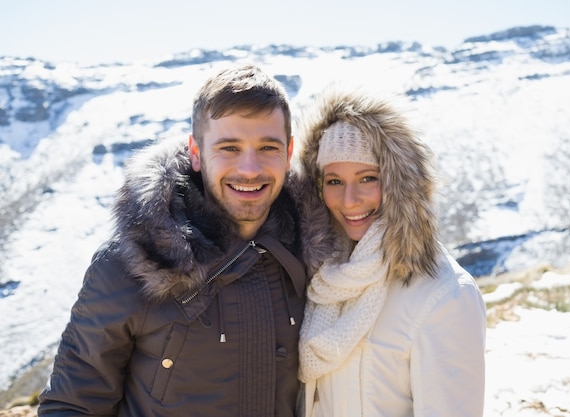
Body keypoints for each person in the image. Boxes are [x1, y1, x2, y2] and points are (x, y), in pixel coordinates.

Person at [38, 63, 311, 417]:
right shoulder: (133, 263)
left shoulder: (312, 255)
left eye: (267, 148)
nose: (249, 169)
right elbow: (72, 406)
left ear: (288, 153)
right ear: (196, 153)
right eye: (229, 147)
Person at [295, 84, 487, 417]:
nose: (349, 200)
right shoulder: (320, 280)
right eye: (334, 181)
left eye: (368, 178)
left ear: (401, 184)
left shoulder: (445, 295)